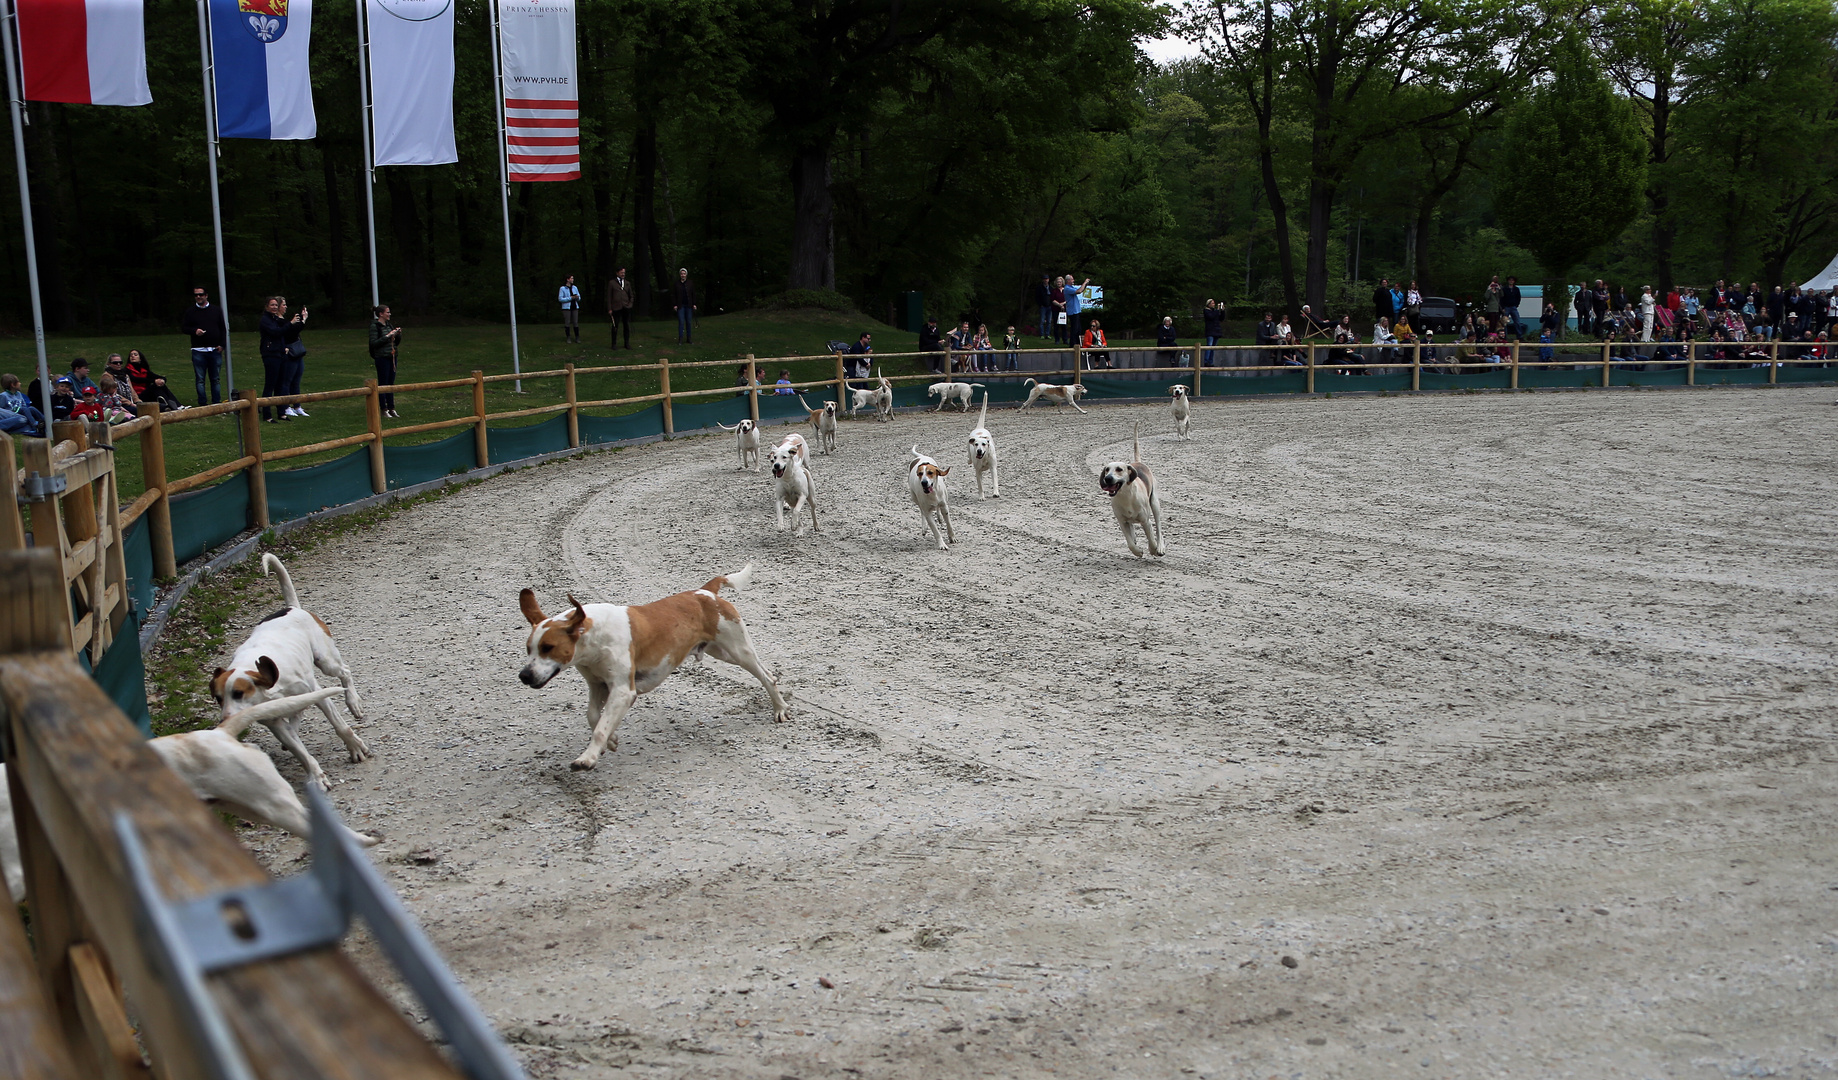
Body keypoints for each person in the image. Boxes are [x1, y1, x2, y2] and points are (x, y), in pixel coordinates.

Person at [258, 296, 304, 422]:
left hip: (280, 353)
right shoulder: (265, 320)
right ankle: (267, 415)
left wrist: (284, 347)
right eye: (271, 305)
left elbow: (283, 334)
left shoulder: (275, 319)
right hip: (270, 354)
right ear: (266, 306)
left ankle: (281, 412)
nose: (274, 307)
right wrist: (291, 323)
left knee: (280, 384)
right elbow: (276, 332)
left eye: (275, 305)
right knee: (270, 384)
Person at [180, 284, 227, 405]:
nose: (198, 297)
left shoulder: (216, 310)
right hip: (198, 350)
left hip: (214, 350)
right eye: (196, 295)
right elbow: (184, 327)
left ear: (206, 295)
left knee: (215, 379)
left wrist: (222, 345)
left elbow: (222, 328)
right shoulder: (190, 311)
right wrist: (194, 331)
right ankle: (202, 403)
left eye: (201, 294)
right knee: (200, 379)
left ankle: (216, 402)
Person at [369, 304, 402, 418]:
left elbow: (395, 342)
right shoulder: (375, 326)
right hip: (381, 357)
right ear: (381, 314)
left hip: (391, 356)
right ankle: (384, 408)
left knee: (391, 383)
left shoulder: (388, 325)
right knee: (383, 383)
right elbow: (374, 343)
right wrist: (388, 336)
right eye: (387, 312)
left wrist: (397, 335)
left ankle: (392, 408)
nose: (389, 314)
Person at [605, 268, 634, 349]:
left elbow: (631, 295)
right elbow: (609, 296)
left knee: (626, 326)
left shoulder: (627, 283)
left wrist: (630, 304)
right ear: (617, 273)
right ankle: (614, 344)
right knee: (615, 326)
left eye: (624, 272)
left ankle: (627, 343)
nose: (623, 274)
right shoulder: (612, 283)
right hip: (616, 307)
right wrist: (609, 308)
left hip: (625, 307)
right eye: (621, 273)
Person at [1062, 275, 1091, 348]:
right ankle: (1073, 344)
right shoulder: (1067, 288)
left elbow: (1081, 290)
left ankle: (1078, 343)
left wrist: (1086, 285)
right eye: (1072, 279)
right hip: (1073, 311)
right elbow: (1079, 291)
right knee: (1074, 329)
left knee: (1078, 329)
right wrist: (1085, 282)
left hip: (1076, 311)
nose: (1073, 281)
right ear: (1068, 280)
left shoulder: (1071, 287)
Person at [672, 268, 696, 343]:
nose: (683, 275)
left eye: (684, 273)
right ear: (680, 275)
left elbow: (693, 294)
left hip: (689, 305)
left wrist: (694, 304)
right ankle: (680, 338)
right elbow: (674, 295)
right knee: (681, 322)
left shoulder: (690, 283)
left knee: (688, 322)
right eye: (681, 274)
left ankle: (689, 338)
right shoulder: (676, 284)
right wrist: (675, 305)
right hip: (680, 305)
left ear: (686, 274)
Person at [557, 275, 582, 343]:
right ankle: (568, 337)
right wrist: (570, 298)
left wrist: (577, 297)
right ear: (567, 279)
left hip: (575, 307)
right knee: (567, 323)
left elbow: (579, 298)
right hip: (566, 308)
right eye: (571, 278)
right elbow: (560, 299)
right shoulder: (562, 288)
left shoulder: (575, 287)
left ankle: (577, 337)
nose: (573, 279)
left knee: (575, 323)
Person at [1201, 299, 1224, 366]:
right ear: (1209, 304)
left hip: (1216, 331)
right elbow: (1211, 317)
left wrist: (1222, 311)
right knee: (1209, 346)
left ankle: (1210, 361)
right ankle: (1206, 361)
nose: (1214, 304)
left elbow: (1221, 318)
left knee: (1213, 347)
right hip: (1210, 331)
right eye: (1212, 303)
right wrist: (1217, 310)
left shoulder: (1215, 312)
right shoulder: (1206, 311)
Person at [1035, 275, 1053, 339]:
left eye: (1047, 279)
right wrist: (1040, 304)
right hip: (1043, 306)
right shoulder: (1039, 288)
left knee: (1049, 321)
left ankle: (1047, 334)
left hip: (1049, 306)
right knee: (1042, 321)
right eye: (1044, 279)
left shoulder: (1051, 288)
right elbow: (1037, 297)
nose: (1046, 280)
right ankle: (1041, 334)